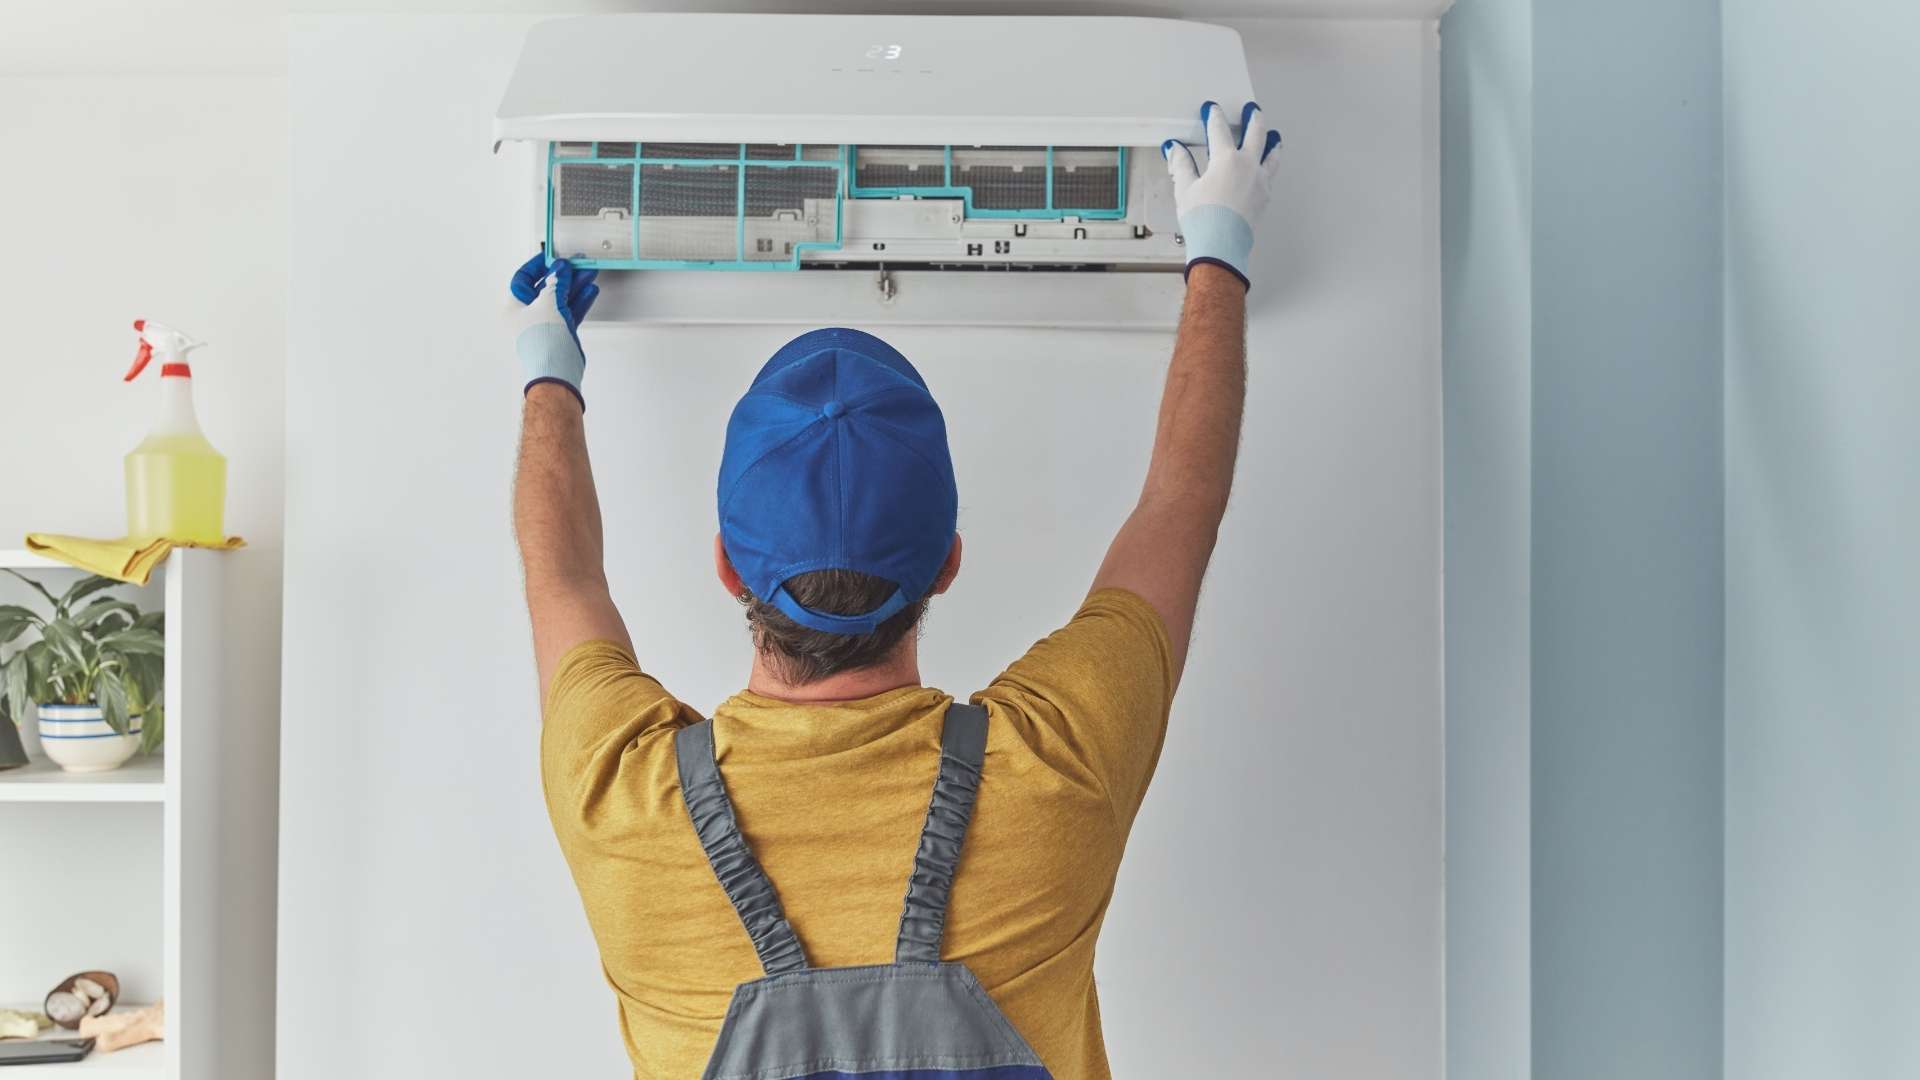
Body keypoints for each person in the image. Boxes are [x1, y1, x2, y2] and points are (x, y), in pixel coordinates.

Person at [512, 101, 1280, 1079]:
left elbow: (561, 574)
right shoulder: (1057, 766)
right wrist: (1218, 249)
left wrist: (550, 364)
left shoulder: (621, 797)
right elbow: (1182, 504)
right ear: (947, 563)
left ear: (728, 567)